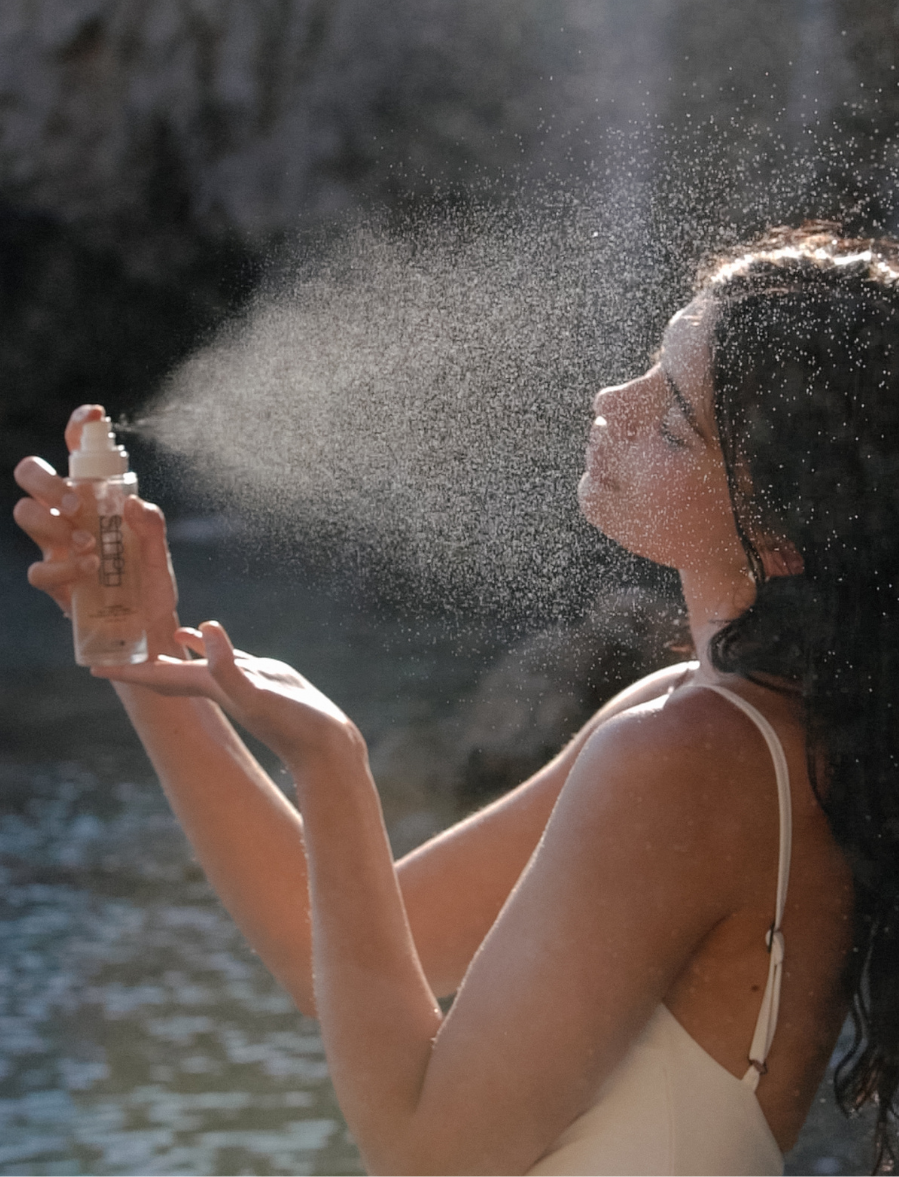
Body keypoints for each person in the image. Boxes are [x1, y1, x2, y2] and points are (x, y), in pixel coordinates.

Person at [13, 223, 899, 1175]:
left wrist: (331, 764)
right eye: (649, 363)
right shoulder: (725, 718)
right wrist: (140, 644)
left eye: (674, 420)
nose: (612, 401)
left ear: (783, 528)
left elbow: (426, 1155)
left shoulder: (690, 753)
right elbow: (334, 953)